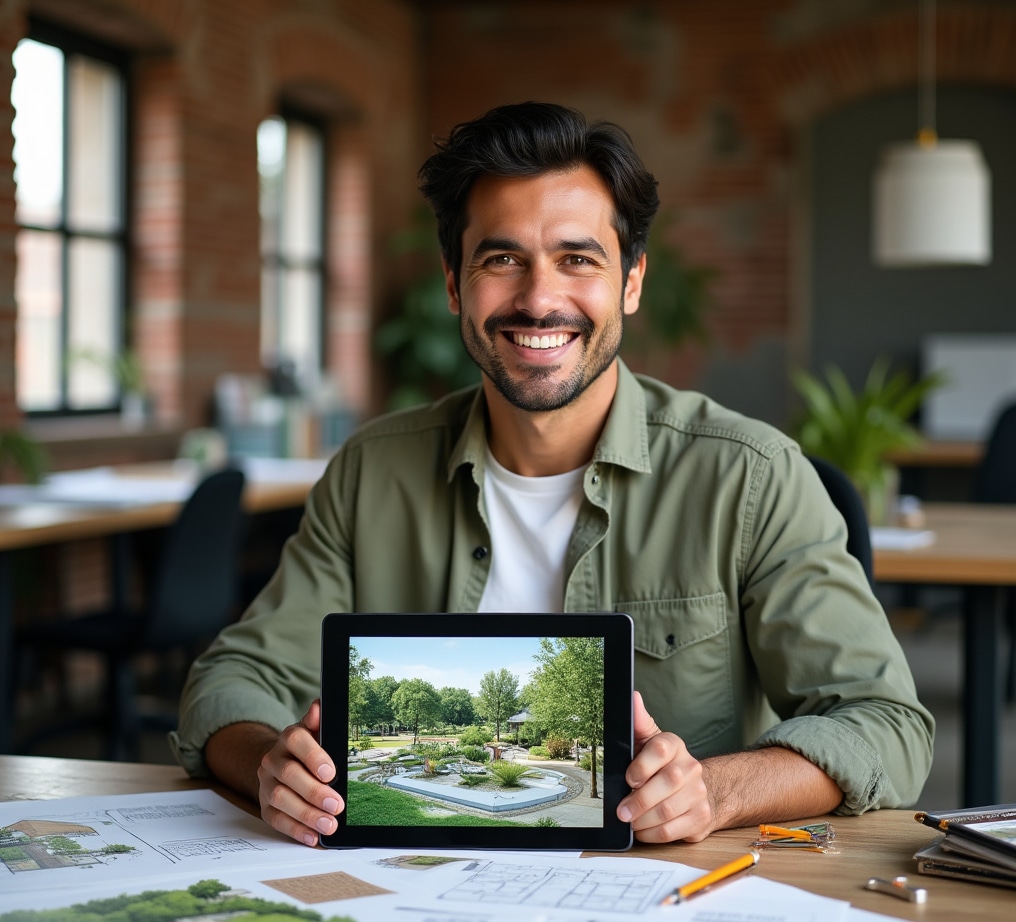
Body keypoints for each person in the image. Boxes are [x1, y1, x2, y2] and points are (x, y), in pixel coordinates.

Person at [172, 101, 933, 847]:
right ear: (453, 284)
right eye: (502, 259)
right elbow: (233, 679)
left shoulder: (752, 477)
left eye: (578, 259)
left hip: (663, 893)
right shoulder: (373, 472)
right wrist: (270, 765)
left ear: (631, 282)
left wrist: (716, 790)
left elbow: (885, 723)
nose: (539, 299)